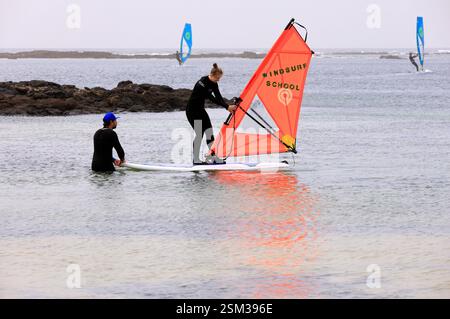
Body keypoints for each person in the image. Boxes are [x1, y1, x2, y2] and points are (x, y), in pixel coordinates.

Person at [186, 63, 237, 164]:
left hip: (200, 110)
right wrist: (227, 107)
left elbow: (218, 97)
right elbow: (212, 98)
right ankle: (195, 160)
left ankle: (212, 157)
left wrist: (228, 106)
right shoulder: (202, 83)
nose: (218, 80)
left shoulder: (214, 84)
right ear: (213, 75)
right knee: (199, 134)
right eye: (218, 78)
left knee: (209, 133)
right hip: (192, 111)